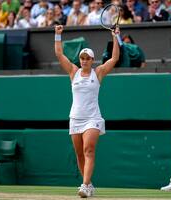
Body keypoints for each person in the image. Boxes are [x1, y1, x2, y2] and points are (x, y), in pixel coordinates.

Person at [54, 25, 120, 198]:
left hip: (93, 118)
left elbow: (114, 58)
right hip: (75, 119)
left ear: (92, 60)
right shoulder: (73, 71)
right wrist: (57, 35)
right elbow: (59, 54)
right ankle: (89, 184)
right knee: (79, 154)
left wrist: (115, 37)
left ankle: (84, 185)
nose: (84, 61)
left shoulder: (98, 73)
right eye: (82, 58)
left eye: (87, 58)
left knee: (88, 149)